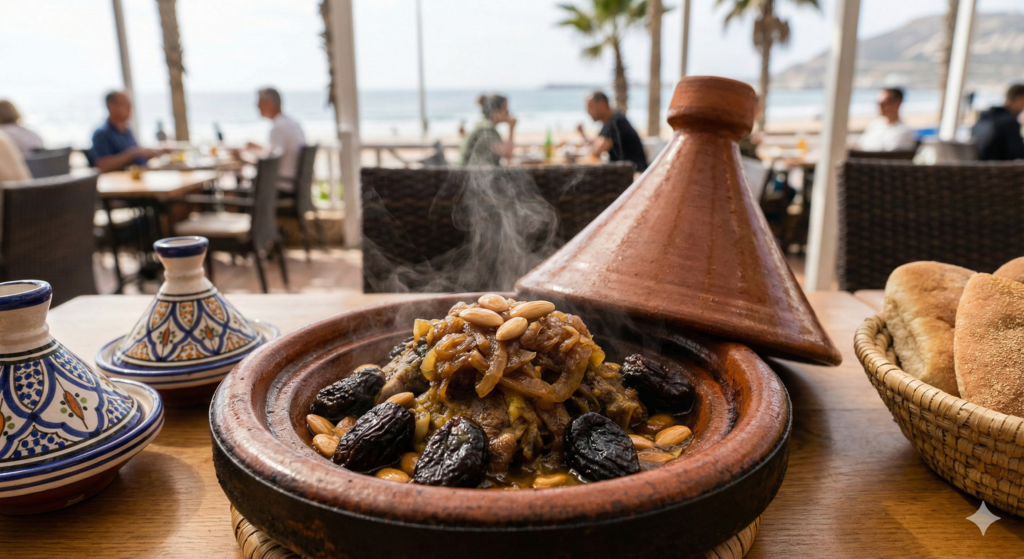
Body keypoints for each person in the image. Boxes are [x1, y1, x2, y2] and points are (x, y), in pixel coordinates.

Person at [245, 87, 306, 193]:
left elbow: (270, 164)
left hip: (281, 187)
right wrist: (259, 148)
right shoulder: (292, 123)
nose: (257, 106)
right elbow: (279, 153)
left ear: (269, 103)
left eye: (259, 102)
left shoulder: (278, 127)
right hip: (294, 184)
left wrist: (246, 159)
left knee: (235, 190)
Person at [90, 91, 163, 173]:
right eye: (126, 105)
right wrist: (134, 153)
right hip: (122, 179)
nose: (130, 109)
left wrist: (156, 151)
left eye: (130, 105)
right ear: (111, 106)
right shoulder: (101, 133)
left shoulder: (127, 130)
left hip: (143, 173)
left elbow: (138, 154)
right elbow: (102, 166)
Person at [578, 91, 648, 172]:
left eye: (590, 107)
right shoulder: (610, 121)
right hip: (625, 172)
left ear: (601, 105)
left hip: (634, 173)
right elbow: (597, 143)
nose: (588, 112)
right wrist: (583, 134)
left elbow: (596, 151)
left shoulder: (616, 121)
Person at [460, 94, 515, 166]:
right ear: (496, 111)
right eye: (505, 109)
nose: (508, 113)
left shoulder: (483, 125)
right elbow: (507, 152)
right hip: (471, 171)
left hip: (472, 170)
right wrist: (511, 127)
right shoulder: (486, 129)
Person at [972, 84, 1024, 161]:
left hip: (979, 165)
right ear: (1019, 98)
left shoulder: (985, 118)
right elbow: (1017, 153)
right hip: (998, 166)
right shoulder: (1008, 122)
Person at [856, 88, 917, 152]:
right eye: (878, 103)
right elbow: (861, 144)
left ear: (897, 104)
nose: (880, 106)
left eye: (884, 103)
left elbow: (890, 155)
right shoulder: (876, 124)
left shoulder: (903, 131)